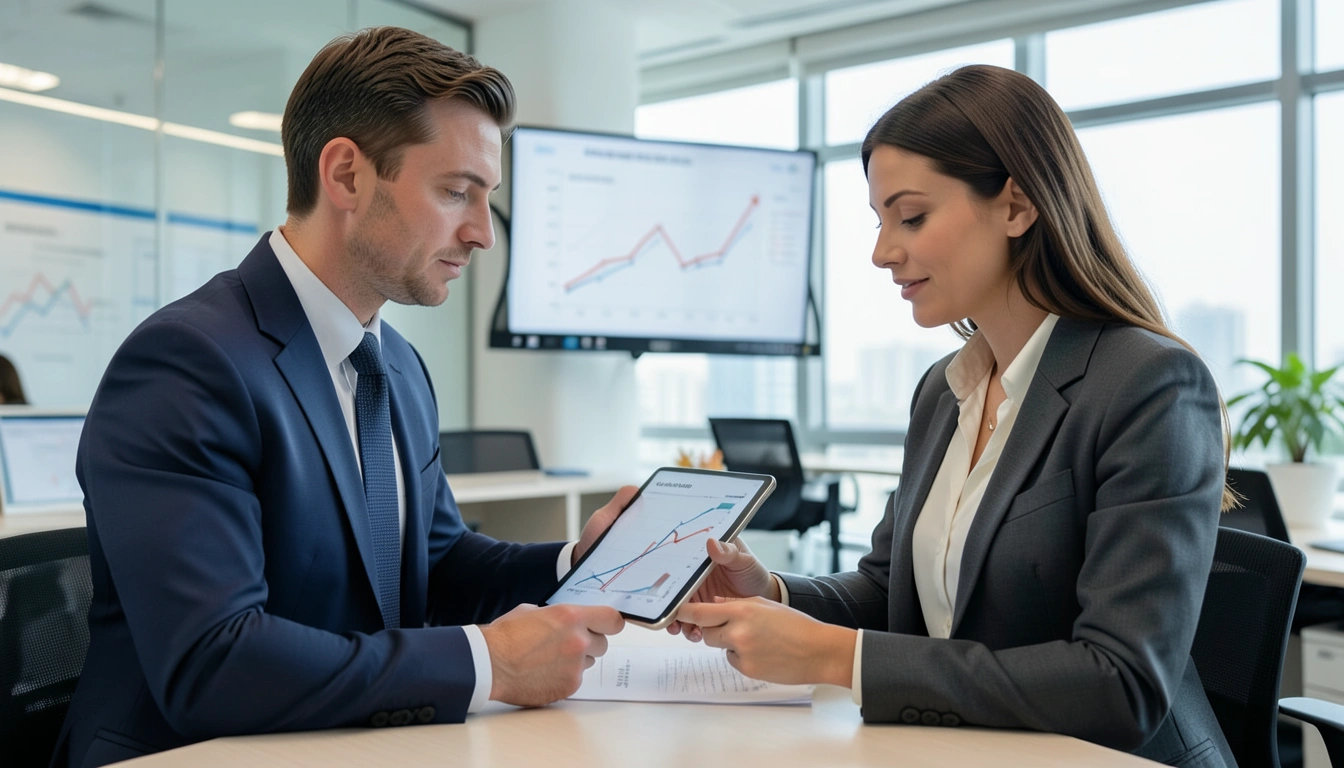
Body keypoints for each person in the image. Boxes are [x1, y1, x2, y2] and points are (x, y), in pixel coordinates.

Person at [56, 27, 634, 768]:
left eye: (486, 198)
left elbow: (439, 564)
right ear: (347, 176)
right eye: (457, 191)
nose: (483, 233)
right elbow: (213, 662)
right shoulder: (189, 364)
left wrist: (575, 563)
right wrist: (490, 662)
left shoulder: (394, 363)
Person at [675, 64, 1236, 768]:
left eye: (910, 217)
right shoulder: (944, 391)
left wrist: (839, 658)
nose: (883, 252)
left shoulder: (1147, 384)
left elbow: (1120, 685)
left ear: (1017, 205)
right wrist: (778, 593)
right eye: (880, 221)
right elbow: (890, 593)